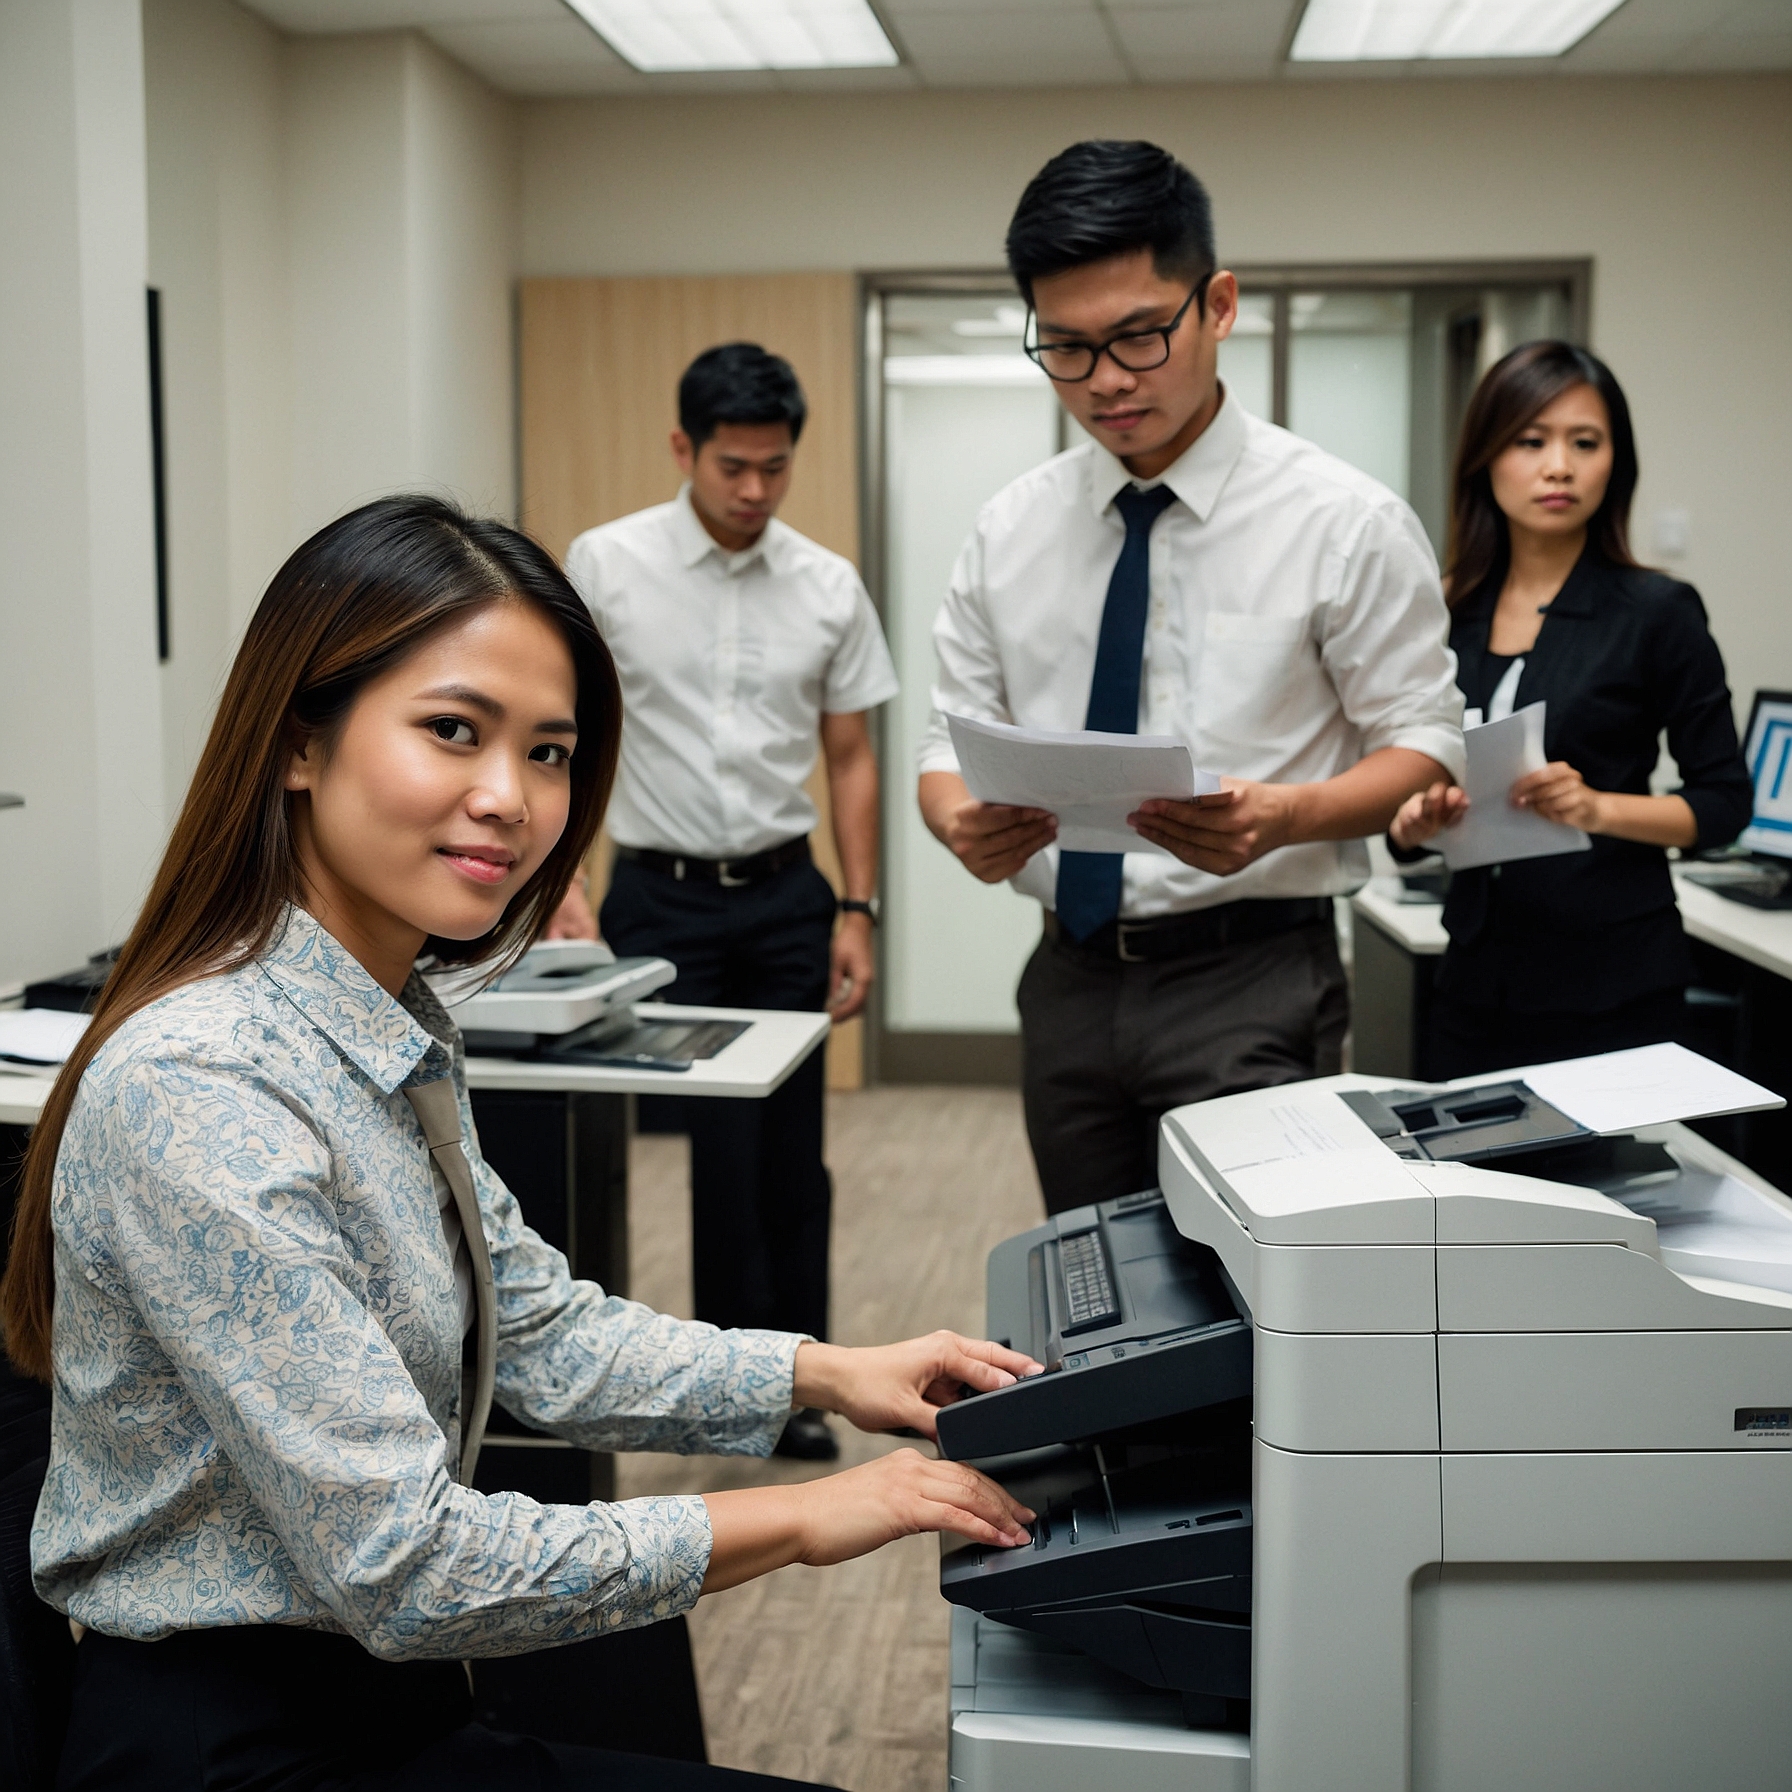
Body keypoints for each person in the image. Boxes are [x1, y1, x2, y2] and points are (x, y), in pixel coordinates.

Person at [2, 497, 1035, 1792]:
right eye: (452, 732)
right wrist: (819, 1514)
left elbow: (539, 1329)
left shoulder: (381, 1021)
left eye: (549, 753)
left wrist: (832, 1374)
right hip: (232, 1744)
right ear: (297, 745)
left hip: (392, 1698)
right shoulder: (205, 1085)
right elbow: (411, 1567)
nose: (512, 799)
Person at [916, 140, 1465, 1214]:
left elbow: (1424, 742)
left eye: (1137, 334)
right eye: (1065, 348)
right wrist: (957, 823)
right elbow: (948, 739)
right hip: (1068, 978)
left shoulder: (1341, 521)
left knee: (1250, 1307)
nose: (1106, 380)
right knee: (1089, 1298)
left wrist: (1289, 813)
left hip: (1249, 977)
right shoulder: (1010, 527)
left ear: (1217, 303)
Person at [556, 344, 897, 1462]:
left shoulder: (825, 583)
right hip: (655, 897)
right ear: (683, 450)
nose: (754, 490)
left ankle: (796, 1389)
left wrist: (859, 906)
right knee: (699, 1152)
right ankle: (705, 1388)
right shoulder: (604, 566)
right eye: (734, 466)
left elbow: (850, 755)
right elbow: (561, 731)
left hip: (787, 897)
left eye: (776, 468)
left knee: (786, 1153)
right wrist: (562, 881)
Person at [1387, 342, 1753, 1078]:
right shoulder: (1448, 607)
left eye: (1584, 443)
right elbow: (1407, 797)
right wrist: (1413, 822)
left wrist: (1596, 809)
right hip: (1473, 982)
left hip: (1614, 986)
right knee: (1473, 1191)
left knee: (1611, 1195)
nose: (1559, 465)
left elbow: (1724, 803)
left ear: (1614, 462)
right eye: (1531, 441)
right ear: (1487, 457)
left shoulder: (1657, 612)